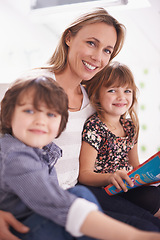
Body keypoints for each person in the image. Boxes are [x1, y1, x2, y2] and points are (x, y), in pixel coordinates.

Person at [1, 7, 160, 239]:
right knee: (144, 230)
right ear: (69, 38)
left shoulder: (91, 99)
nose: (98, 57)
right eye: (91, 43)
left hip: (81, 193)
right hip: (42, 202)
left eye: (107, 50)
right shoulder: (33, 86)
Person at [2, 75, 159, 240]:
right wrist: (134, 236)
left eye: (51, 114)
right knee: (79, 196)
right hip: (23, 228)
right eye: (29, 111)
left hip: (42, 218)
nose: (40, 120)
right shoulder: (16, 156)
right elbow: (56, 204)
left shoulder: (45, 151)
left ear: (61, 125)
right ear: (8, 116)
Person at [79, 61, 160, 218]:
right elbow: (84, 174)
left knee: (152, 192)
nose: (121, 97)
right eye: (112, 90)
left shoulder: (130, 127)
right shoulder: (94, 127)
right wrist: (110, 176)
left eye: (127, 91)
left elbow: (136, 167)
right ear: (96, 95)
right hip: (105, 189)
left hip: (126, 185)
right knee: (149, 198)